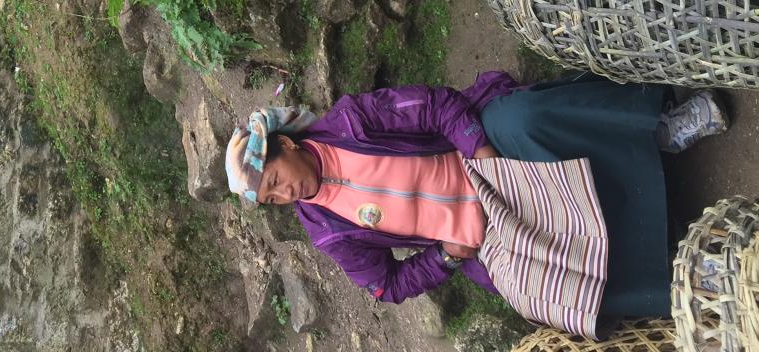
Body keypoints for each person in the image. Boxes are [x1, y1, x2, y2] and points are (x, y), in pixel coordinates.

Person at [224, 71, 729, 338]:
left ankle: (656, 131)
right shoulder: (327, 231)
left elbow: (434, 105)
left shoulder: (351, 123)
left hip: (483, 155)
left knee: (524, 118)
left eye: (273, 179)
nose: (282, 195)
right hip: (480, 236)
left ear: (285, 146)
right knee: (544, 296)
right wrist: (446, 257)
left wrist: (479, 150)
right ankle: (692, 283)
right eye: (271, 198)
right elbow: (386, 285)